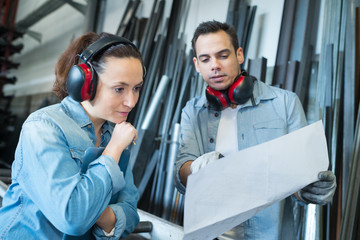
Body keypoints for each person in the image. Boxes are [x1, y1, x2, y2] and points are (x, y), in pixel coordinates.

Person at [174, 20, 337, 239]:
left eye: (223, 55)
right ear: (197, 64)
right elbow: (181, 171)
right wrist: (196, 169)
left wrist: (310, 189)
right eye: (205, 59)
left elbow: (299, 178)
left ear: (239, 55)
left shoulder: (285, 103)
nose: (214, 65)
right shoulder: (192, 111)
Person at [0, 32, 144, 239]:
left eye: (136, 88)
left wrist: (91, 210)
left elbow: (130, 214)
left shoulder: (115, 135)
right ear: (85, 84)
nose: (131, 101)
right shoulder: (44, 127)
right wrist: (113, 150)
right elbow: (73, 218)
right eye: (119, 89)